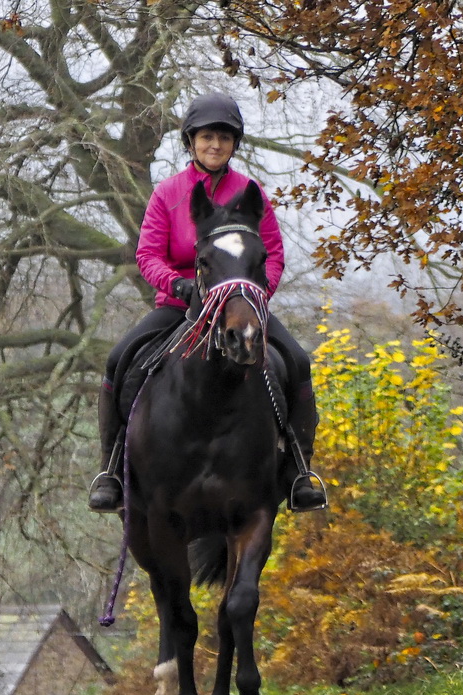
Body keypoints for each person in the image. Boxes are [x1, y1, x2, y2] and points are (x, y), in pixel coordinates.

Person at [88, 91, 327, 513]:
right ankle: (111, 471)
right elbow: (147, 255)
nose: (215, 145)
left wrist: (253, 295)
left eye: (224, 138)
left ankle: (298, 470)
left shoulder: (251, 195)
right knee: (119, 358)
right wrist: (178, 286)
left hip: (239, 305)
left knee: (297, 360)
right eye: (207, 137)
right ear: (191, 141)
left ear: (234, 144)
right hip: (181, 306)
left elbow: (271, 255)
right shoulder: (168, 193)